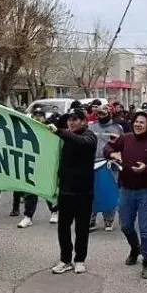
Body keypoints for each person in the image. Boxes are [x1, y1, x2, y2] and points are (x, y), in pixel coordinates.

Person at [104, 111, 147, 279]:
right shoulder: (125, 138)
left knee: (146, 230)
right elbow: (107, 147)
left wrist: (146, 168)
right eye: (136, 122)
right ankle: (135, 248)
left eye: (142, 122)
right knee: (125, 225)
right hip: (126, 190)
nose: (138, 125)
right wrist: (112, 153)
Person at [47, 109, 98, 274]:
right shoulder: (64, 137)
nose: (71, 122)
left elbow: (82, 142)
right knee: (63, 227)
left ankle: (80, 259)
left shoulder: (89, 136)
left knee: (82, 228)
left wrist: (60, 131)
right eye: (69, 119)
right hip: (66, 190)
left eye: (75, 119)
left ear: (84, 121)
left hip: (84, 191)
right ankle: (65, 259)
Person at [88, 104, 124, 231]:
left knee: (108, 191)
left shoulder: (117, 128)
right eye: (99, 113)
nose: (101, 116)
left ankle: (108, 219)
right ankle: (91, 219)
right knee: (92, 192)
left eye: (103, 113)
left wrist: (118, 158)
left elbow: (122, 145)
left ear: (110, 113)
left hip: (110, 164)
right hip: (93, 163)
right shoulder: (91, 127)